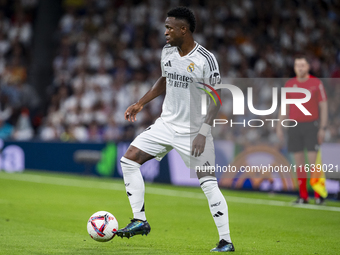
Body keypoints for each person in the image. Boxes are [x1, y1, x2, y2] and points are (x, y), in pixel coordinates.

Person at [116, 7, 235, 252]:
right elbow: (165, 78)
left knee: (208, 183)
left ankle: (226, 241)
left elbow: (216, 98)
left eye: (170, 27)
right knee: (129, 160)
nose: (166, 31)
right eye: (166, 27)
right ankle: (140, 220)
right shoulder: (168, 51)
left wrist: (203, 132)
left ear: (184, 30)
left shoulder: (205, 59)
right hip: (166, 124)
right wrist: (141, 103)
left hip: (194, 131)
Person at [276, 55, 328, 205]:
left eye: (303, 65)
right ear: (294, 68)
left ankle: (319, 195)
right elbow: (284, 106)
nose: (300, 67)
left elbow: (323, 106)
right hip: (294, 126)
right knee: (299, 163)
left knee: (313, 162)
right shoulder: (289, 84)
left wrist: (322, 128)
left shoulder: (316, 83)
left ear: (308, 67)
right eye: (297, 65)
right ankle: (303, 196)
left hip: (311, 126)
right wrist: (279, 126)